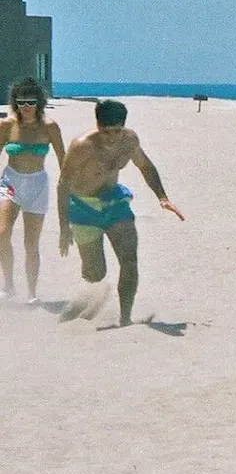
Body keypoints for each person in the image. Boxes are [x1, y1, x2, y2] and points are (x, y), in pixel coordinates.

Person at [57, 99, 185, 326]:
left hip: (114, 203)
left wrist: (162, 197)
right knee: (95, 274)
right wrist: (63, 226)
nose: (112, 137)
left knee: (130, 261)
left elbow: (145, 166)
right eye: (106, 132)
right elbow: (63, 186)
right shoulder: (82, 146)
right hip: (83, 208)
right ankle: (83, 304)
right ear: (98, 125)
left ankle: (125, 318)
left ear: (123, 126)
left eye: (117, 131)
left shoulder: (129, 140)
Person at [0, 78, 66, 303]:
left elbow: (63, 160)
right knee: (2, 233)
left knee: (31, 243)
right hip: (10, 182)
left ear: (39, 102)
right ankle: (8, 285)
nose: (26, 106)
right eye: (21, 102)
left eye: (31, 101)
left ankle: (32, 293)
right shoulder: (7, 125)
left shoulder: (50, 127)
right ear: (15, 103)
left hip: (37, 184)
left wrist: (67, 187)